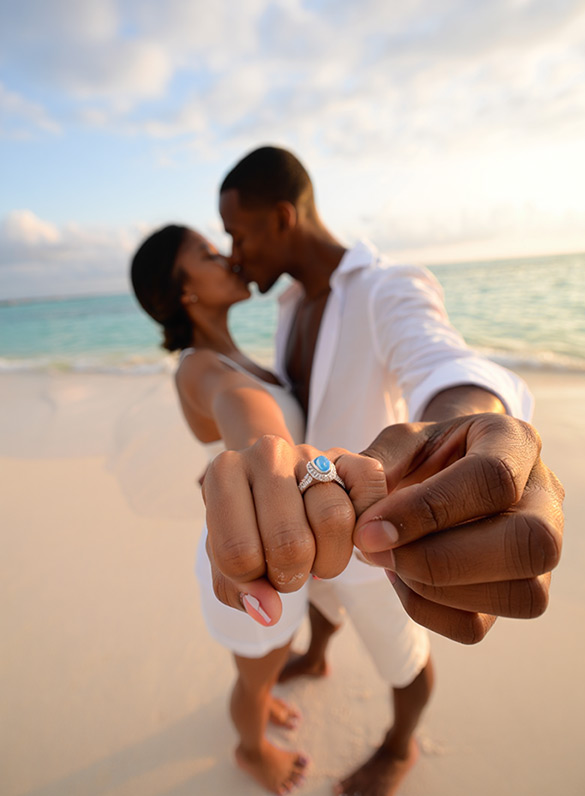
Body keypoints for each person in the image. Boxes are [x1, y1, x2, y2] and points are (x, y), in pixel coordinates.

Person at [202, 145, 565, 796]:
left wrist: (462, 422)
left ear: (284, 217)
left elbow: (439, 360)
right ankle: (317, 654)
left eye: (240, 233)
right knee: (319, 605)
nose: (234, 253)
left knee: (405, 658)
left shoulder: (386, 286)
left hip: (377, 528)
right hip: (308, 531)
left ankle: (400, 747)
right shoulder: (290, 304)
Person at [129, 224, 389, 796]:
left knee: (269, 660)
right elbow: (247, 417)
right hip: (248, 541)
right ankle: (251, 750)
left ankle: (265, 694)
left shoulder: (237, 356)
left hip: (272, 526)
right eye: (204, 252)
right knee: (255, 673)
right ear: (182, 291)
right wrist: (274, 456)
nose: (225, 254)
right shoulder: (199, 369)